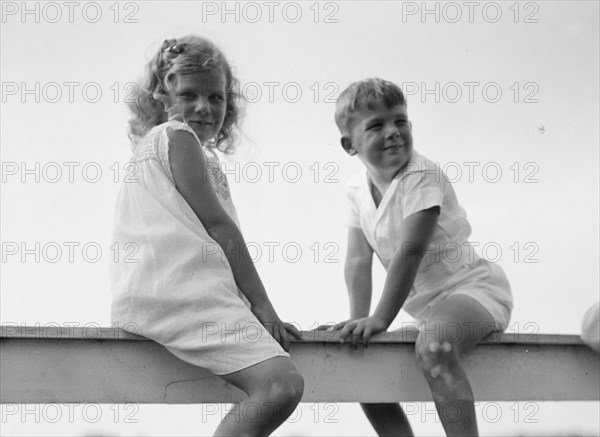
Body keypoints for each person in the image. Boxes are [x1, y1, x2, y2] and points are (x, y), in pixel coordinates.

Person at [110, 35, 304, 436]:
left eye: (216, 97)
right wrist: (263, 305)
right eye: (189, 94)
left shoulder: (157, 149)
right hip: (180, 293)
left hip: (154, 291)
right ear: (162, 98)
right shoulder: (176, 137)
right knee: (281, 383)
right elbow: (218, 227)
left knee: (275, 383)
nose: (204, 107)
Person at [325, 78, 513, 436]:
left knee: (434, 347)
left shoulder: (421, 176)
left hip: (473, 292)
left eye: (401, 120)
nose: (394, 132)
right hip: (427, 310)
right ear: (349, 144)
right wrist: (359, 321)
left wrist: (380, 317)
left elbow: (410, 253)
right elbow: (356, 262)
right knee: (362, 363)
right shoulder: (355, 191)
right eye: (377, 125)